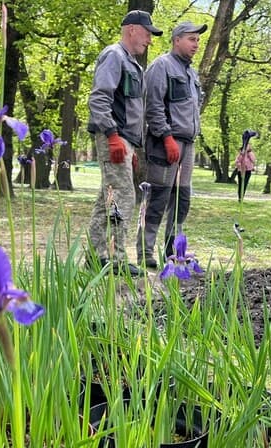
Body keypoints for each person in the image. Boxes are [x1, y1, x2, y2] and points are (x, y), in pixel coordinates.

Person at [86, 10, 162, 276]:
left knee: (106, 200)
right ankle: (116, 259)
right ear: (132, 29)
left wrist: (131, 145)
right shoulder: (114, 56)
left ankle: (95, 257)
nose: (150, 40)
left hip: (123, 140)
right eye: (147, 33)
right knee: (123, 198)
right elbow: (99, 99)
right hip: (113, 137)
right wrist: (113, 136)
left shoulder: (131, 64)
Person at [136, 20, 207, 269]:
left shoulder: (191, 72)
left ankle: (173, 249)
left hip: (187, 144)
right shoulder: (161, 66)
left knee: (182, 199)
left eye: (198, 40)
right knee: (158, 197)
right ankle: (145, 252)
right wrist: (166, 137)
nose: (196, 44)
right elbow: (153, 106)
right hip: (165, 143)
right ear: (177, 40)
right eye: (191, 39)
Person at [234, 130, 258, 202]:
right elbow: (237, 161)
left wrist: (249, 152)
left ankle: (242, 197)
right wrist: (240, 166)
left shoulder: (251, 153)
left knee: (245, 184)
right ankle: (239, 197)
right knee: (240, 184)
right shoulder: (241, 154)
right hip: (241, 171)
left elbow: (253, 160)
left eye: (249, 146)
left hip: (248, 171)